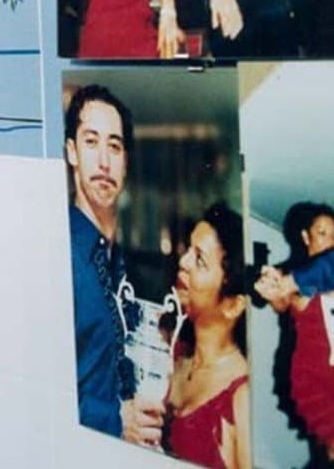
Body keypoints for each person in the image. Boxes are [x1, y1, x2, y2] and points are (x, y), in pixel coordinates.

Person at [63, 84, 165, 444]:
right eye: (91, 142)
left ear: (126, 162)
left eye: (115, 146)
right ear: (72, 152)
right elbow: (36, 385)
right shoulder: (61, 255)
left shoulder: (121, 264)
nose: (104, 162)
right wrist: (115, 420)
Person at [165, 203, 251, 469]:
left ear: (233, 305)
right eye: (189, 250)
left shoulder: (242, 398)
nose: (183, 262)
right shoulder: (171, 352)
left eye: (199, 260)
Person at [256, 202, 334, 466]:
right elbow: (281, 301)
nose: (331, 241)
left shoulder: (309, 276)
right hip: (315, 382)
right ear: (305, 237)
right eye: (323, 233)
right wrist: (272, 287)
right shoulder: (295, 278)